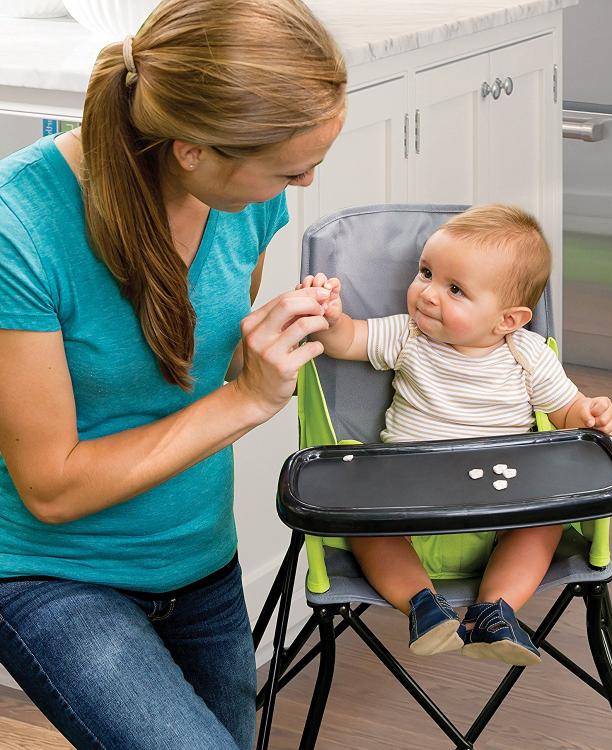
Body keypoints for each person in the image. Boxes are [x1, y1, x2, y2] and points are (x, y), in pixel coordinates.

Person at [0, 1, 346, 747]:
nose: (306, 183)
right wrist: (246, 396)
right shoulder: (19, 227)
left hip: (199, 557)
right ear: (193, 149)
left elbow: (186, 367)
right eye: (291, 167)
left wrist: (268, 342)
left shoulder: (248, 201)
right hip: (53, 570)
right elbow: (51, 487)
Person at [300, 204, 612, 667]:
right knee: (361, 524)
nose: (428, 294)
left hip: (504, 496)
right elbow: (346, 340)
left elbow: (565, 411)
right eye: (425, 273)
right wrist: (329, 318)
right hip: (408, 497)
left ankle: (495, 610)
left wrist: (588, 413)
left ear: (509, 320)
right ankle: (425, 608)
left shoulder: (528, 354)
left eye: (455, 289)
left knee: (546, 521)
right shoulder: (407, 335)